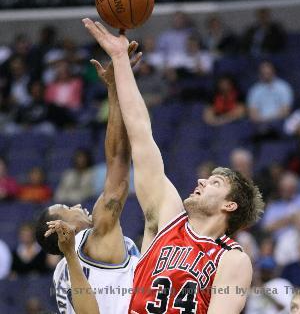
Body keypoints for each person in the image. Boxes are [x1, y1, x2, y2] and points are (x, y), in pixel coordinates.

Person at [83, 18, 265, 314]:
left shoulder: (232, 258)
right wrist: (120, 59)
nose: (203, 182)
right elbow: (141, 135)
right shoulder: (168, 217)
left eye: (215, 183)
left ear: (230, 206)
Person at [35, 43, 142, 314]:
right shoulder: (96, 236)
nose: (76, 206)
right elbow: (118, 162)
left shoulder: (60, 272)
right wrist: (116, 88)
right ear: (59, 228)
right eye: (66, 210)